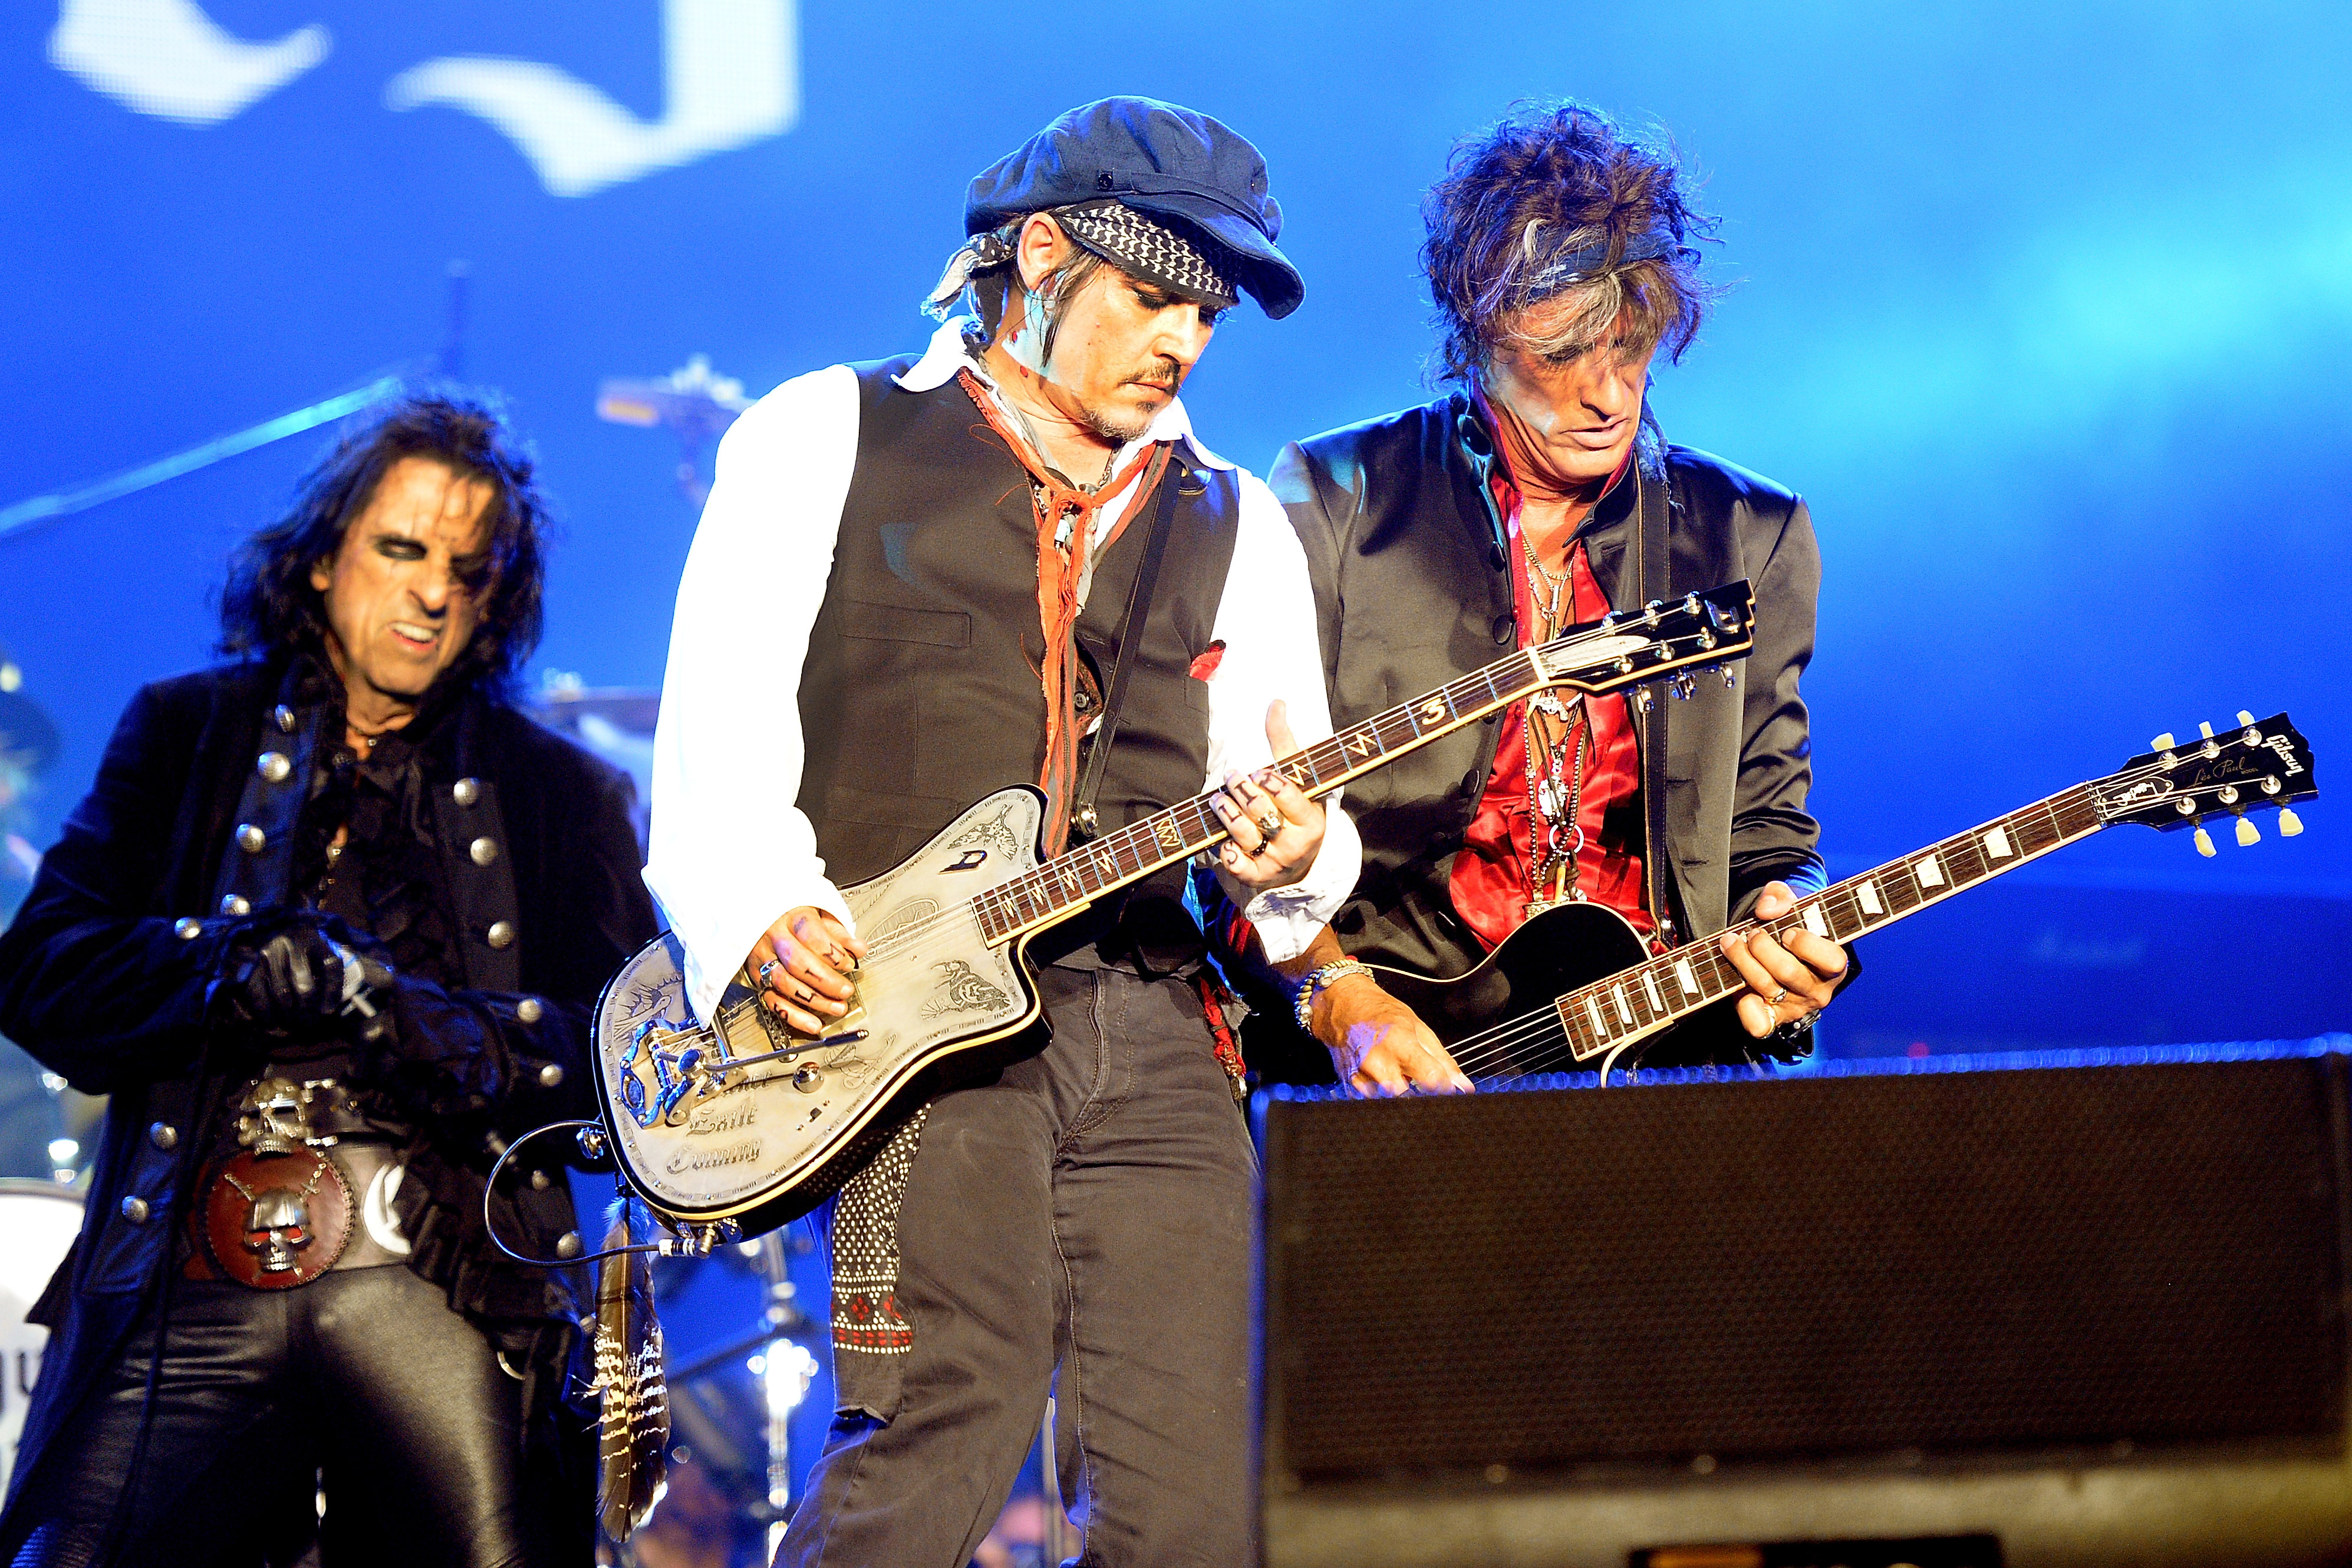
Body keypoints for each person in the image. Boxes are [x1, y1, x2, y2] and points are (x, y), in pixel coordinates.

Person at [645, 98, 1358, 1567]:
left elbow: (1282, 819)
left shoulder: (1239, 519)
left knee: (1195, 1495)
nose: (1184, 344)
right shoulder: (824, 433)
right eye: (1154, 297)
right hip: (905, 1019)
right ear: (1041, 255)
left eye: (1208, 317)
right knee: (939, 1428)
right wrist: (770, 906)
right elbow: (715, 746)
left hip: (1156, 1026)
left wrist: (1293, 863)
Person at [0, 393, 658, 1566]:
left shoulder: (557, 789)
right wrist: (225, 964)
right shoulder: (186, 731)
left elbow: (636, 1069)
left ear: (498, 600)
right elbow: (42, 971)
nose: (432, 590)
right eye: (401, 549)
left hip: (444, 1285)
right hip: (191, 1276)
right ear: (321, 561)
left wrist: (410, 1017)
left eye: (471, 569)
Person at [1263, 101, 1852, 1095]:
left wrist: (1784, 921)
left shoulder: (1750, 533)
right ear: (1478, 330)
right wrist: (1331, 992)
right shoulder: (1333, 500)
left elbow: (1767, 834)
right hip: (1392, 1059)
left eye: (1627, 350)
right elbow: (1240, 823)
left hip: (1657, 1063)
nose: (1608, 395)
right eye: (1561, 356)